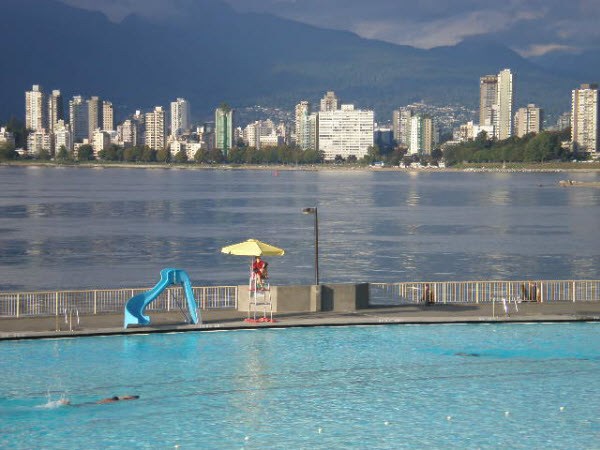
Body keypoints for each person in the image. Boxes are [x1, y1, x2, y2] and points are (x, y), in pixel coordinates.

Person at [59, 395, 139, 406]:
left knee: (81, 404)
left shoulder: (111, 399)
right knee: (80, 405)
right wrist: (133, 398)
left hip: (95, 402)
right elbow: (125, 398)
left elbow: (123, 397)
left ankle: (68, 404)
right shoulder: (113, 401)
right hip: (94, 403)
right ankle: (68, 404)